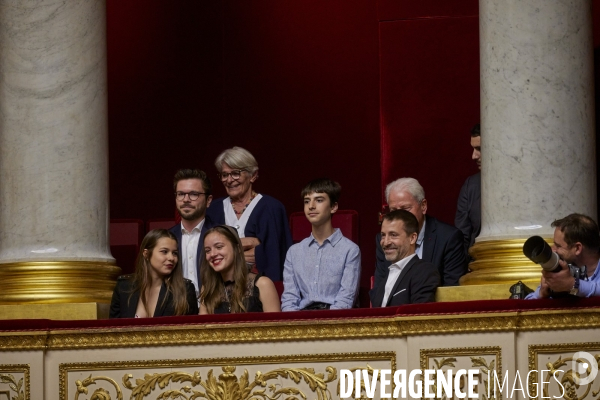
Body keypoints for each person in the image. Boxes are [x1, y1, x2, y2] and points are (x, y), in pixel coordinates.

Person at [206, 146, 293, 281]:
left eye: (235, 173)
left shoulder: (272, 208)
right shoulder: (214, 209)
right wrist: (251, 244)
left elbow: (275, 256)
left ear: (252, 175)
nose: (229, 180)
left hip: (260, 287)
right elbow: (207, 252)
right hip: (219, 285)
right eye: (224, 174)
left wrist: (226, 251)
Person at [373, 178, 467, 291]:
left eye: (405, 208)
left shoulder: (448, 238)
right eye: (394, 210)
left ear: (423, 206)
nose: (400, 217)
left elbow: (451, 291)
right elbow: (379, 290)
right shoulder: (385, 241)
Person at [281, 178, 361, 311]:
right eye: (307, 201)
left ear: (333, 207)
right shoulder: (294, 252)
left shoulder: (349, 250)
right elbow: (289, 298)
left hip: (334, 321)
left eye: (319, 200)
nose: (311, 206)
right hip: (301, 321)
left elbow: (346, 299)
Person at [109, 229, 199, 318]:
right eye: (164, 251)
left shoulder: (185, 289)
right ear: (146, 254)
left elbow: (192, 330)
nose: (171, 258)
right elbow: (113, 329)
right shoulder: (124, 287)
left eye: (174, 253)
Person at [199, 225, 281, 314]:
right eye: (207, 250)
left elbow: (275, 327)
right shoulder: (207, 288)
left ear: (237, 248)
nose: (212, 254)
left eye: (219, 247)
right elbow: (203, 327)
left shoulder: (262, 284)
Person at [371, 210, 440, 307]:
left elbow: (421, 316)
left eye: (393, 235)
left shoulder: (424, 271)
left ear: (412, 238)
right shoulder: (383, 280)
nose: (386, 242)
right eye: (383, 235)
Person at [526, 214, 600, 299]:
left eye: (558, 246)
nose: (553, 250)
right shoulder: (563, 269)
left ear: (577, 248)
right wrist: (542, 293)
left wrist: (572, 285)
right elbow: (525, 304)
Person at [169, 169, 215, 295]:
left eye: (194, 194)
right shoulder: (166, 238)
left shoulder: (222, 236)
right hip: (176, 310)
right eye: (181, 194)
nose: (186, 199)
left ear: (208, 200)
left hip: (212, 309)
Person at [455, 123, 481, 259]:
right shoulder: (471, 185)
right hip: (477, 265)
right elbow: (462, 237)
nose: (474, 156)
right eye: (473, 149)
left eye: (479, 149)